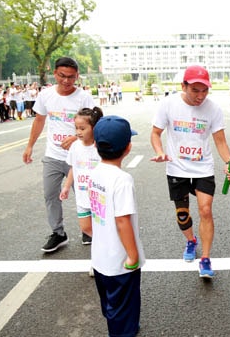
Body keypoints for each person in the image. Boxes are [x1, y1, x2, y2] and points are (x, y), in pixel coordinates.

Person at [150, 65, 230, 278]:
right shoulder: (168, 104)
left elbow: (221, 141)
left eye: (205, 90)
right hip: (176, 167)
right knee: (182, 214)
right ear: (183, 86)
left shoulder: (213, 109)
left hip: (202, 167)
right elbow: (155, 133)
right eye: (195, 90)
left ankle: (205, 258)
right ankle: (190, 241)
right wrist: (159, 151)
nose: (201, 96)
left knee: (205, 210)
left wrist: (229, 162)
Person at [23, 57, 96, 253]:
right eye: (62, 76)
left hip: (80, 156)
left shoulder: (84, 97)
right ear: (54, 73)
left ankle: (89, 230)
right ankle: (58, 233)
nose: (66, 81)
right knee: (50, 195)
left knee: (87, 195)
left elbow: (95, 123)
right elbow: (39, 121)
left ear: (77, 76)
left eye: (71, 77)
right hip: (53, 155)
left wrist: (75, 137)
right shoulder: (46, 95)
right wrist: (30, 145)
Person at [88, 115, 145, 337]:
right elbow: (122, 220)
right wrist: (133, 255)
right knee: (124, 306)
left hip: (100, 256)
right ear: (128, 147)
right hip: (120, 260)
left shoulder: (95, 173)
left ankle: (122, 325)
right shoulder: (122, 179)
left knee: (111, 303)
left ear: (95, 145)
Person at [60, 107, 104, 246]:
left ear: (93, 127)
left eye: (82, 128)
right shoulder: (75, 147)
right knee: (86, 228)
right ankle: (103, 245)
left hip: (99, 197)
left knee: (103, 228)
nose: (78, 132)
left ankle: (105, 250)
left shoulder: (100, 147)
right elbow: (73, 167)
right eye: (76, 128)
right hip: (82, 196)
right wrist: (66, 187)